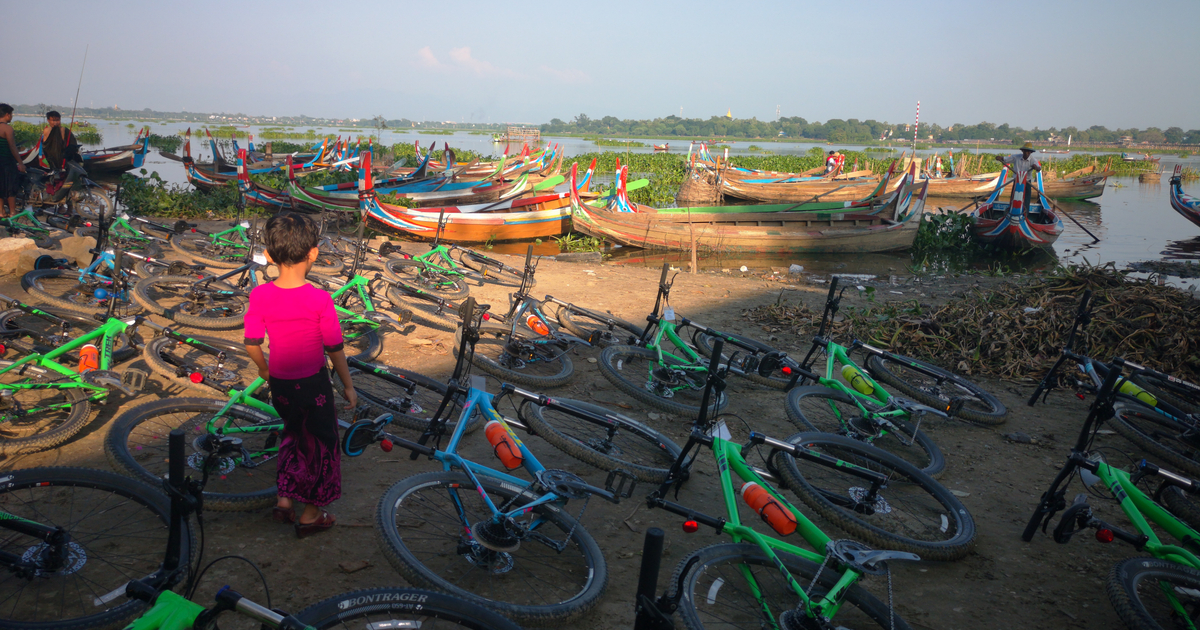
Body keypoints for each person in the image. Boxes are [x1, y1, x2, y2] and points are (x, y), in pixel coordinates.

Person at [243, 212, 356, 538]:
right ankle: (310, 515)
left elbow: (251, 343)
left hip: (280, 383)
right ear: (314, 253)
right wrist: (348, 386)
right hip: (314, 385)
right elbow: (334, 347)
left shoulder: (260, 294)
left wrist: (265, 370)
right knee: (321, 444)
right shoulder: (320, 299)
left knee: (292, 432)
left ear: (269, 255)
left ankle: (284, 500)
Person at [0, 104, 26, 218]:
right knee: (11, 187)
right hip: (7, 162)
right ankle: (12, 212)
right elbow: (12, 147)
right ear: (7, 115)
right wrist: (20, 162)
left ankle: (1, 212)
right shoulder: (7, 128)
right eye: (11, 114)